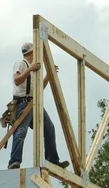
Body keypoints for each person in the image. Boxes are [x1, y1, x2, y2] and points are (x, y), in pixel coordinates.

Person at [8, 42, 69, 170]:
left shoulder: (33, 68)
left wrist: (49, 75)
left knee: (49, 128)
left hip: (33, 102)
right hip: (23, 103)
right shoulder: (21, 63)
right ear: (32, 52)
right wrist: (31, 69)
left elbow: (39, 88)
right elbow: (17, 80)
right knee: (21, 132)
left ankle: (52, 159)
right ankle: (14, 161)